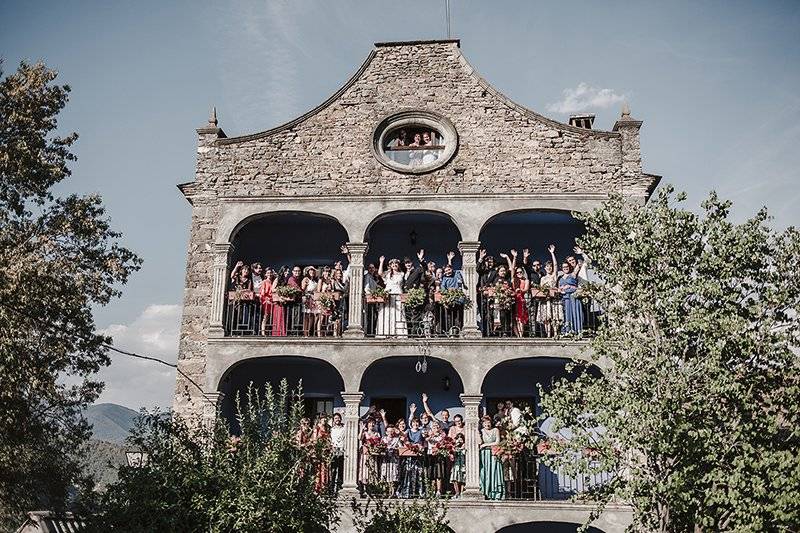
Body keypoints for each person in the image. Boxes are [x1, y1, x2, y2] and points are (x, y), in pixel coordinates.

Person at [376, 256, 407, 337]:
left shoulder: (402, 274)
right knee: (387, 313)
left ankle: (399, 333)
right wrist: (381, 262)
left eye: (396, 263)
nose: (394, 265)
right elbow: (380, 273)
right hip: (388, 295)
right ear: (390, 266)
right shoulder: (387, 274)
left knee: (398, 313)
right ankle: (386, 332)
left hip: (398, 294)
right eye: (392, 264)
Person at [397, 416, 426, 498]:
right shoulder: (408, 431)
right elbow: (403, 437)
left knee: (418, 474)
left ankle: (418, 492)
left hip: (417, 456)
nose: (415, 424)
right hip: (408, 456)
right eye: (413, 422)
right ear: (411, 424)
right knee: (407, 473)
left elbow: (424, 438)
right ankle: (406, 492)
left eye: (417, 422)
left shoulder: (421, 431)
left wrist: (421, 445)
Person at [536, 245, 562, 338]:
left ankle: (555, 333)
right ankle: (548, 334)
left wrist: (552, 253)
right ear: (545, 268)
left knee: (555, 317)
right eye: (547, 267)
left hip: (554, 299)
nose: (549, 268)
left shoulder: (553, 276)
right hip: (545, 300)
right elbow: (540, 288)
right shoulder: (542, 278)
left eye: (550, 266)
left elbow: (556, 265)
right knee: (546, 318)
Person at [502, 249, 529, 337]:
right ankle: (517, 335)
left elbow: (526, 289)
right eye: (517, 273)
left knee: (520, 318)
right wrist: (514, 257)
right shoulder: (514, 279)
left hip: (521, 300)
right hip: (513, 300)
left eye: (520, 272)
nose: (518, 273)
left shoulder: (526, 280)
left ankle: (521, 335)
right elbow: (512, 268)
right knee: (514, 319)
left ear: (523, 272)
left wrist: (520, 291)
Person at [479, 415, 505, 500]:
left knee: (494, 471)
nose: (487, 424)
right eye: (485, 422)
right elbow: (479, 443)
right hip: (484, 454)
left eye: (488, 422)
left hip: (493, 452)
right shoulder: (481, 431)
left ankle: (495, 493)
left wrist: (486, 444)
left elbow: (497, 442)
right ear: (482, 424)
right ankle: (486, 492)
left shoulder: (495, 430)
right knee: (485, 472)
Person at [558, 256, 583, 336]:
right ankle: (567, 331)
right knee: (566, 315)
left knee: (574, 313)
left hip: (573, 297)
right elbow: (558, 289)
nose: (565, 268)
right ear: (561, 268)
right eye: (564, 267)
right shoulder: (560, 278)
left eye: (567, 266)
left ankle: (576, 331)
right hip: (565, 298)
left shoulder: (573, 274)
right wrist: (561, 289)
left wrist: (570, 287)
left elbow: (578, 266)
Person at [358, 418, 381, 492]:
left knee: (373, 469)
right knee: (365, 470)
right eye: (370, 423)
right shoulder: (365, 433)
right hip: (366, 453)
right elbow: (359, 438)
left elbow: (379, 443)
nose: (371, 425)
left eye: (373, 423)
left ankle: (372, 487)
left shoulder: (377, 433)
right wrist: (361, 429)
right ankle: (364, 487)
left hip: (373, 454)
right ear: (367, 425)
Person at [426, 420, 447, 496]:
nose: (436, 428)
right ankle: (432, 490)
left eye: (437, 427)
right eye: (434, 427)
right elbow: (427, 440)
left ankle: (438, 490)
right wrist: (432, 435)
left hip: (439, 456)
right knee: (431, 474)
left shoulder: (442, 435)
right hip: (431, 455)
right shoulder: (430, 435)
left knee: (439, 474)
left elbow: (444, 443)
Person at [312, 415, 331, 493]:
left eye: (326, 419)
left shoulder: (327, 428)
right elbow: (314, 440)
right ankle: (317, 488)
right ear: (320, 419)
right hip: (318, 450)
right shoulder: (317, 428)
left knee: (325, 469)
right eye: (323, 419)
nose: (325, 420)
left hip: (325, 451)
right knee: (318, 469)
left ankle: (324, 487)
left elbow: (329, 439)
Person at [381, 425, 402, 495]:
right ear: (386, 432)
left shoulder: (396, 439)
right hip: (386, 460)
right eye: (389, 431)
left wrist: (395, 449)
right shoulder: (383, 439)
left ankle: (392, 492)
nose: (390, 433)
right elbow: (380, 447)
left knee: (393, 475)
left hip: (394, 460)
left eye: (392, 431)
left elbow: (401, 448)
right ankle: (385, 492)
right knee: (385, 474)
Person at [302, 266, 319, 337]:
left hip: (313, 298)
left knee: (312, 315)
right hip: (308, 297)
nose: (312, 272)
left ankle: (310, 331)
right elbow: (303, 288)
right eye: (310, 271)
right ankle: (305, 332)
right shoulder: (306, 279)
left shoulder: (315, 280)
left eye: (313, 271)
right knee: (307, 315)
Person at [330, 413, 345, 492]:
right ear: (333, 420)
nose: (337, 419)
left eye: (338, 418)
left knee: (340, 469)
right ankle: (332, 487)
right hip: (333, 450)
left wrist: (344, 413)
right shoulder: (331, 429)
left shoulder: (344, 428)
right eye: (335, 418)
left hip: (341, 450)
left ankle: (339, 487)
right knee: (333, 469)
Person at [450, 432, 466, 498]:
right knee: (454, 478)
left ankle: (462, 492)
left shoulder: (465, 447)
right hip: (456, 465)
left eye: (461, 440)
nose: (459, 441)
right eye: (458, 439)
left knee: (463, 479)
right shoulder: (454, 448)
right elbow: (451, 457)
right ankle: (457, 492)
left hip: (463, 464)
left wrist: (463, 448)